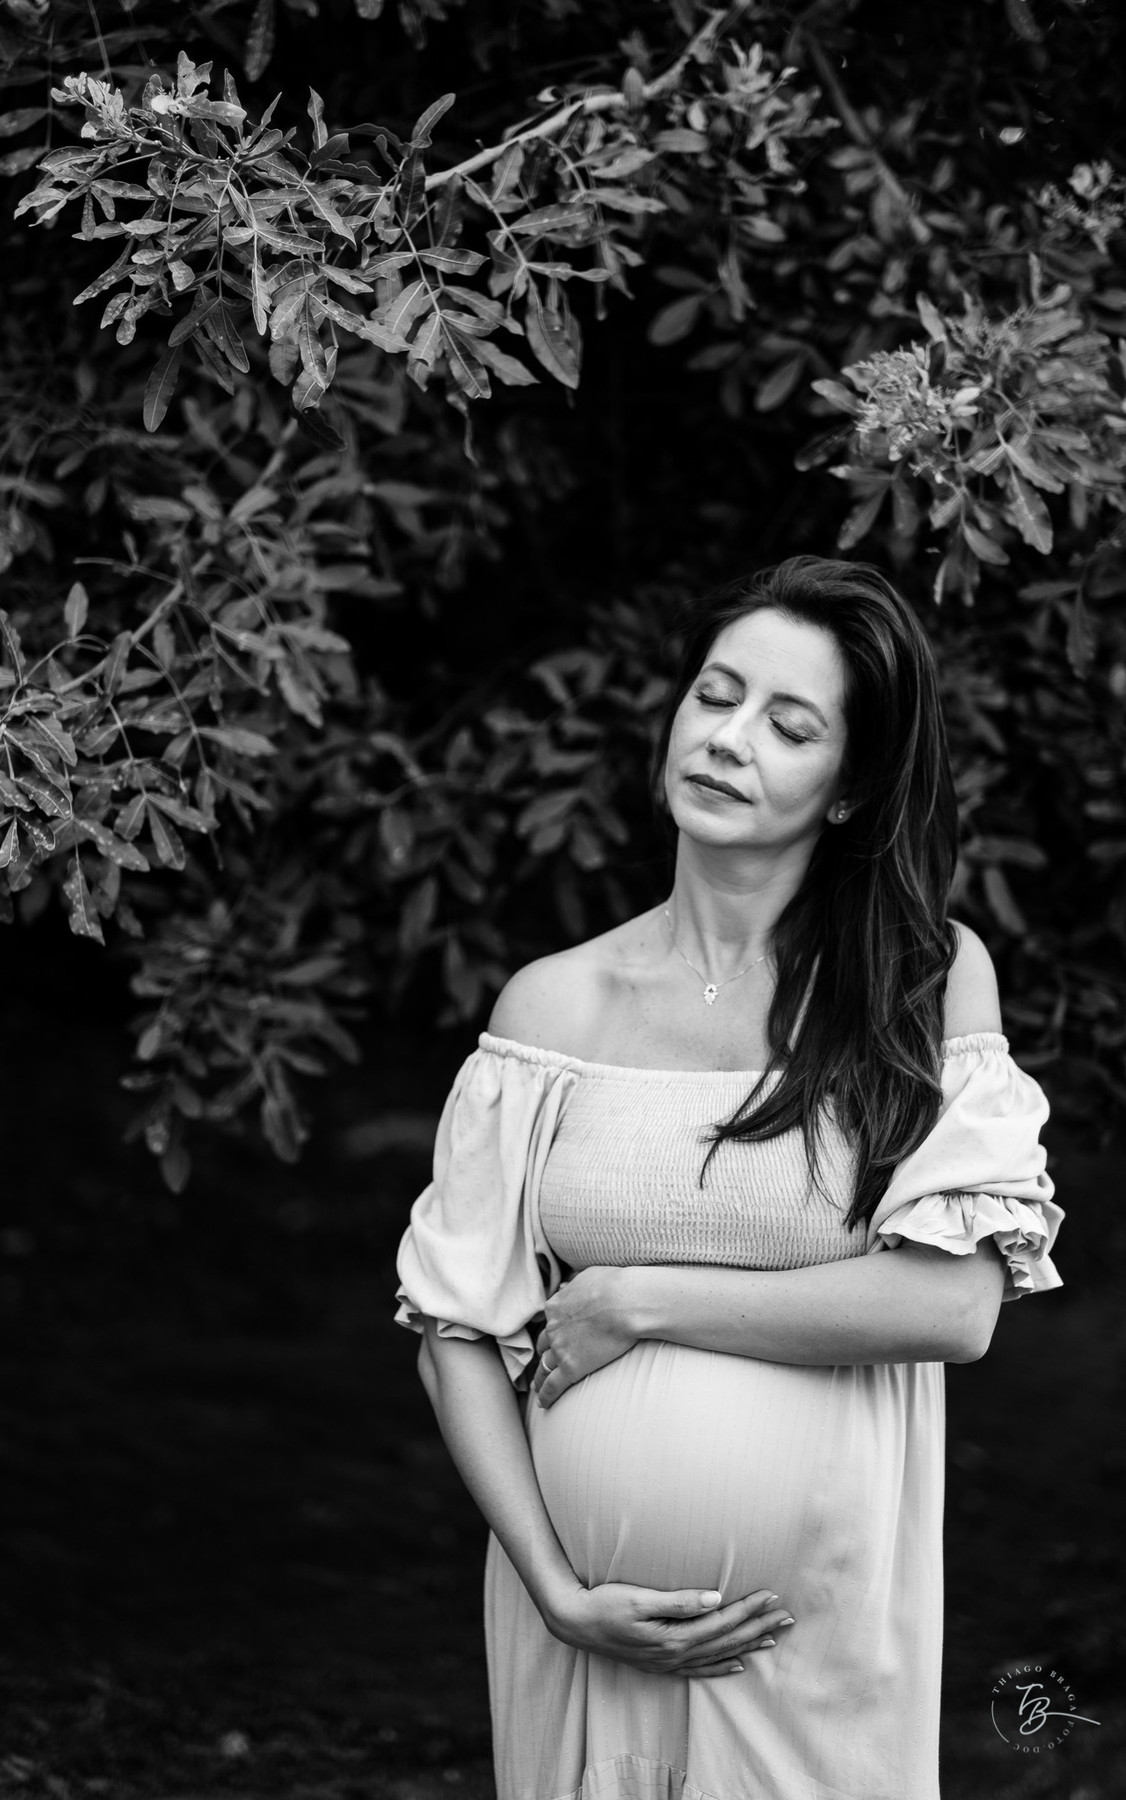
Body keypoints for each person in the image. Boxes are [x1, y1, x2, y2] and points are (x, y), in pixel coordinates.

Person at [394, 557, 1064, 1800]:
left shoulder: (919, 985)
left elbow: (954, 1305)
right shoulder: (553, 1006)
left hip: (809, 1640)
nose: (728, 738)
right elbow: (455, 1326)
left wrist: (639, 1299)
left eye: (789, 725)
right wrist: (555, 1589)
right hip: (577, 1630)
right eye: (716, 694)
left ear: (851, 785)